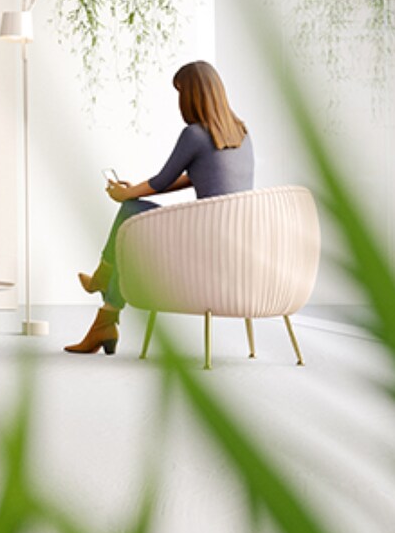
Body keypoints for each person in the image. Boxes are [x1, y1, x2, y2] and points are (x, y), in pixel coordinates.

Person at [65, 61, 256, 356]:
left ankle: (104, 279)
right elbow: (193, 178)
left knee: (130, 211)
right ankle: (105, 316)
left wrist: (125, 194)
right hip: (233, 245)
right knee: (132, 219)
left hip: (201, 243)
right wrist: (132, 190)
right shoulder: (241, 133)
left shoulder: (194, 134)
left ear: (191, 95)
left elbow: (161, 180)